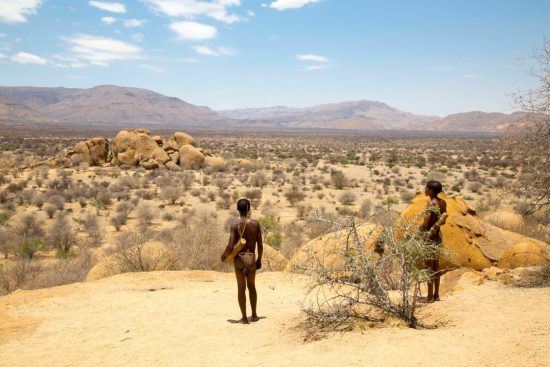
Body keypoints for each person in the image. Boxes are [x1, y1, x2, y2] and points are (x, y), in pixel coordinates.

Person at [221, 198, 263, 324]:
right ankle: (254, 315)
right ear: (249, 209)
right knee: (252, 286)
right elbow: (260, 244)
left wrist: (224, 256)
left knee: (241, 288)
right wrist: (259, 259)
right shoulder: (255, 224)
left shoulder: (235, 225)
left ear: (238, 209)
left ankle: (244, 318)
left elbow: (230, 245)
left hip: (239, 260)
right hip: (250, 259)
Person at [420, 180, 447, 302]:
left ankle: (429, 297)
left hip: (429, 237)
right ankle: (436, 294)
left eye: (426, 188)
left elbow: (426, 222)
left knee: (428, 266)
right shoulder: (443, 202)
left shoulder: (431, 203)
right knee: (436, 265)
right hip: (438, 235)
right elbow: (444, 219)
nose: (424, 190)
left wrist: (420, 230)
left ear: (430, 190)